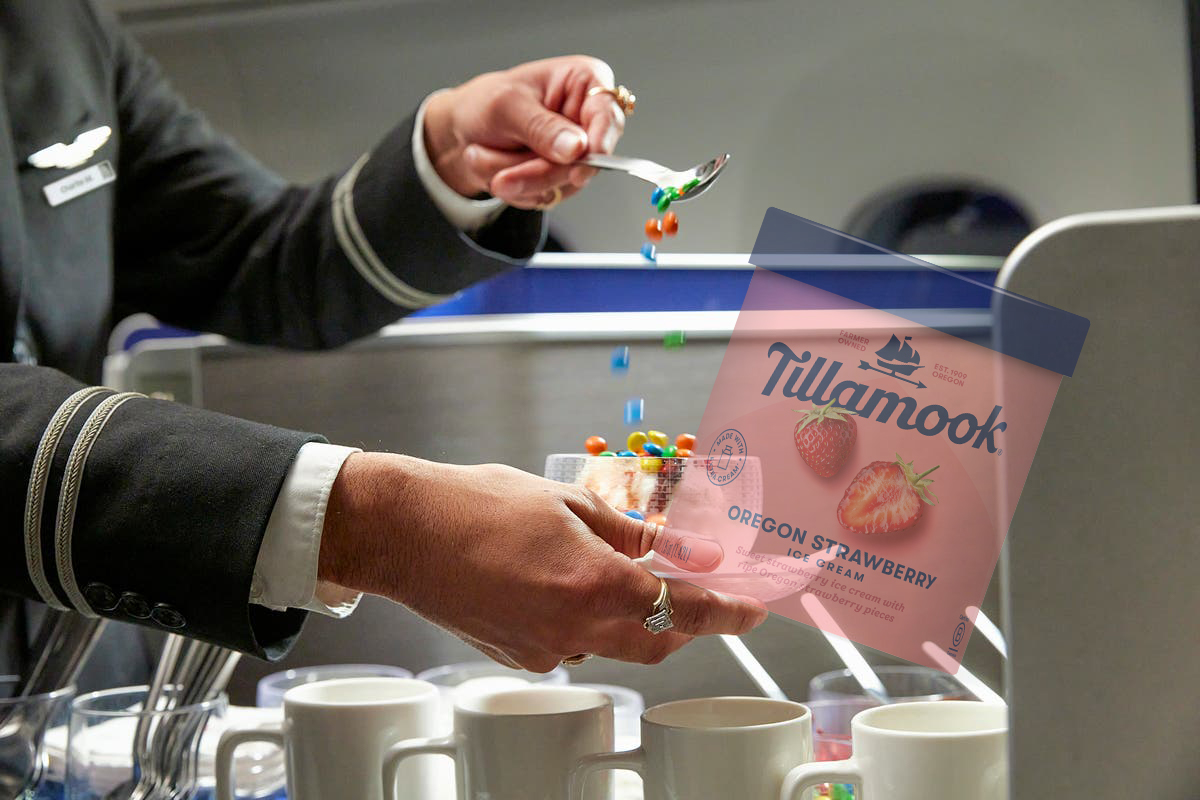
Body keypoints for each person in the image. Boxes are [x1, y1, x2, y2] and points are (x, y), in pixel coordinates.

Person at [0, 1, 767, 683]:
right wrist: (378, 527)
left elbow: (259, 255)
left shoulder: (59, 23)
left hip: (80, 677)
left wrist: (449, 161)